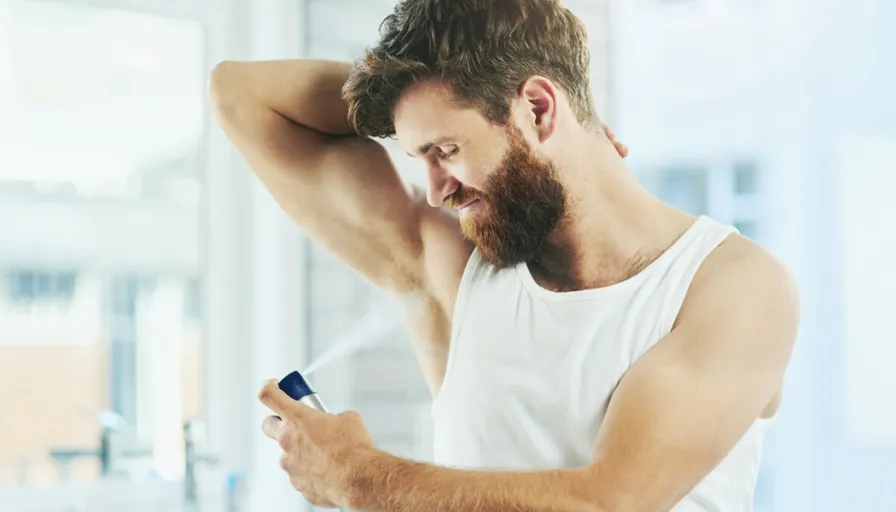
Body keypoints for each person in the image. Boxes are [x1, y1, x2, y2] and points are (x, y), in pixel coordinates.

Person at [210, 0, 798, 510]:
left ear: (539, 110)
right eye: (421, 155)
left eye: (446, 148)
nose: (438, 190)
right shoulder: (452, 271)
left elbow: (609, 503)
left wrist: (359, 480)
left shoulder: (735, 288)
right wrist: (411, 105)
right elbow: (240, 94)